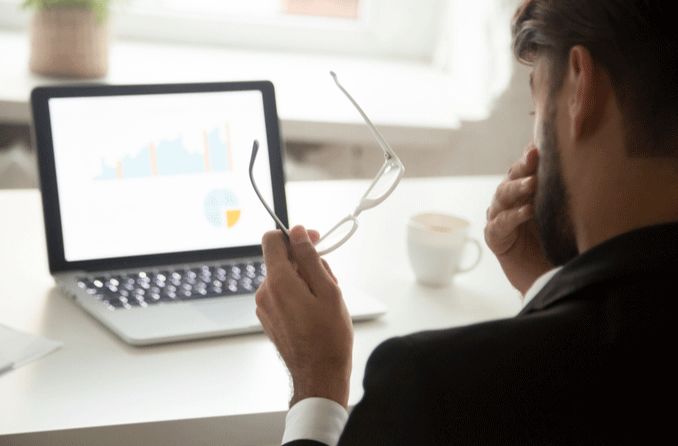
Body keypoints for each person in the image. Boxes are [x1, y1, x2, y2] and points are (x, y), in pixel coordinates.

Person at [254, 0, 678, 444]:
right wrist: (546, 286)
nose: (532, 146)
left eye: (536, 110)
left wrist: (317, 379)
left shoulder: (433, 389)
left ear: (579, 87)